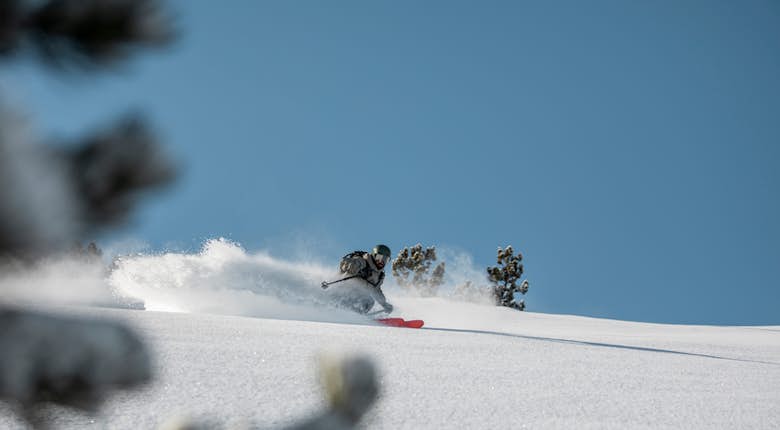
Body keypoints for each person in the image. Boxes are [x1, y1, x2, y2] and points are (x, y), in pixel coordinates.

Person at [335, 244, 393, 314]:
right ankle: (348, 313)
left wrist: (384, 304)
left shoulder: (379, 275)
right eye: (379, 257)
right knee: (368, 300)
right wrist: (355, 268)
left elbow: (376, 290)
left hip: (357, 295)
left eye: (385, 259)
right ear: (374, 256)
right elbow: (345, 265)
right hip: (342, 291)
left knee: (369, 302)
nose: (381, 261)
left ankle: (356, 316)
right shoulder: (363, 261)